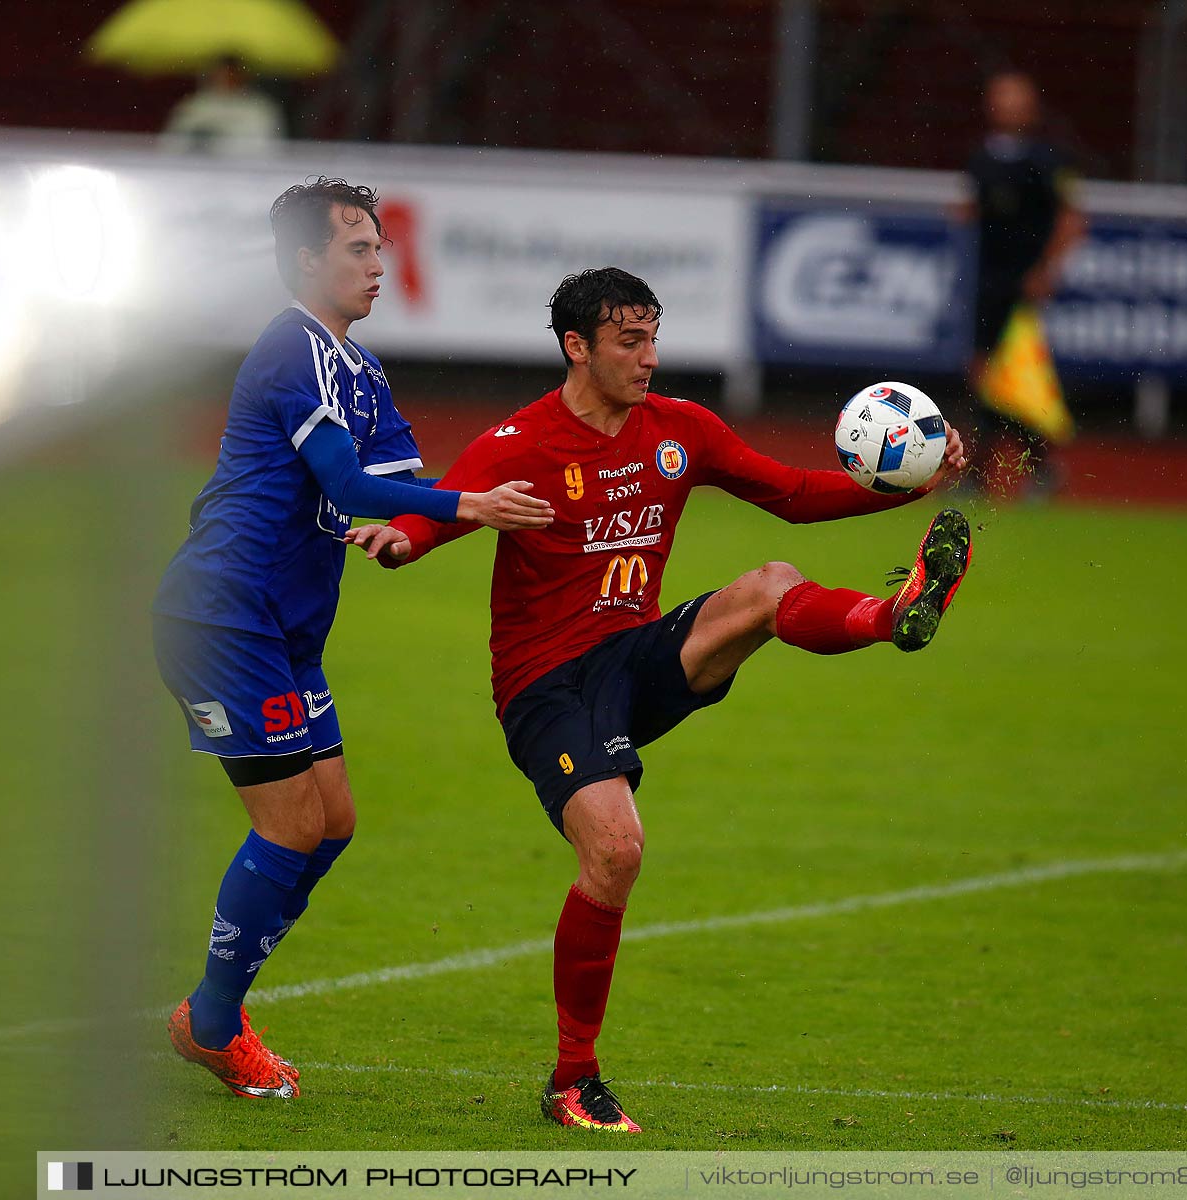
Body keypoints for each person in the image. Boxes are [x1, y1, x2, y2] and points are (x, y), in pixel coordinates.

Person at [347, 267, 971, 1132]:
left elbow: (789, 496)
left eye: (653, 337)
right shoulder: (523, 440)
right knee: (616, 850)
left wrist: (916, 482)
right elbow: (449, 507)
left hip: (636, 659)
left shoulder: (680, 430)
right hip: (546, 687)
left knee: (769, 584)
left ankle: (890, 615)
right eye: (628, 342)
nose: (648, 358)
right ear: (578, 347)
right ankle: (573, 1079)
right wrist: (402, 538)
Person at [150, 178, 552, 1099]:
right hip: (223, 612)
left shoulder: (358, 369)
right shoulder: (292, 348)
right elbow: (349, 478)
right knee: (289, 826)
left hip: (286, 628)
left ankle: (217, 1006)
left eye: (379, 248)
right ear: (304, 261)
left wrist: (422, 524)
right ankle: (212, 1025)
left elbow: (394, 485)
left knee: (332, 824)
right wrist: (468, 506)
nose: (379, 264)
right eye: (359, 249)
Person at [957, 70, 1085, 497]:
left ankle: (986, 473)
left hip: (1023, 286)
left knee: (1009, 380)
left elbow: (1072, 220)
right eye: (1002, 98)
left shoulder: (1051, 159)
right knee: (985, 377)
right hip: (987, 282)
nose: (1009, 107)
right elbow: (975, 210)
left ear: (1032, 107)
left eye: (1017, 99)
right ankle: (1033, 467)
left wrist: (1046, 269)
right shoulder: (980, 158)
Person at [161, 56, 286, 157]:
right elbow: (172, 144)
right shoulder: (195, 105)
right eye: (220, 73)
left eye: (230, 74)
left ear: (242, 76)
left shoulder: (259, 108)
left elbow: (268, 148)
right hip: (195, 173)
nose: (225, 78)